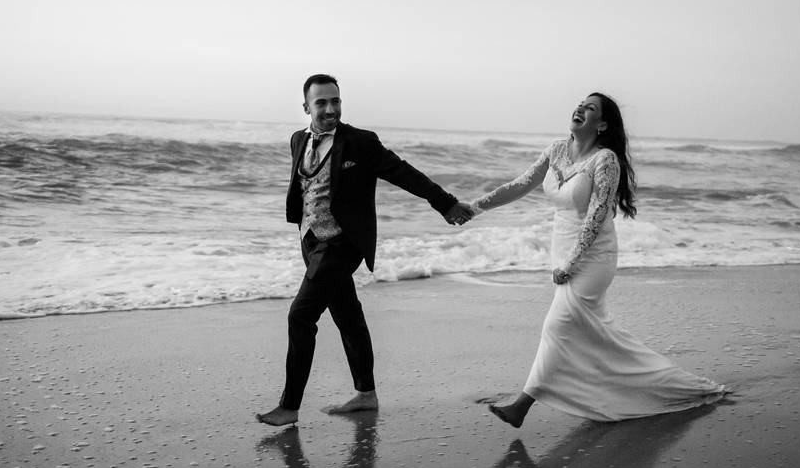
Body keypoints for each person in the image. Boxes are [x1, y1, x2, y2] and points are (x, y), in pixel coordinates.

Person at [471, 92, 726, 428]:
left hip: (594, 256)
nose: (580, 108)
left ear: (603, 124)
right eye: (580, 104)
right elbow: (519, 185)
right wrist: (475, 207)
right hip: (561, 249)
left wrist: (571, 263)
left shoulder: (605, 160)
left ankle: (522, 404)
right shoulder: (556, 150)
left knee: (557, 325)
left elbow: (597, 214)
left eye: (590, 108)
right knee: (594, 335)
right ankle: (670, 386)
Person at [257, 74, 473, 426]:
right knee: (348, 315)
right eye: (321, 103)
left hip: (343, 242)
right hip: (310, 240)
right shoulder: (298, 140)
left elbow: (404, 173)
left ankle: (289, 406)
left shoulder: (360, 142)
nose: (330, 109)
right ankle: (366, 395)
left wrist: (445, 203)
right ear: (306, 107)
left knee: (300, 316)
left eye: (335, 101)